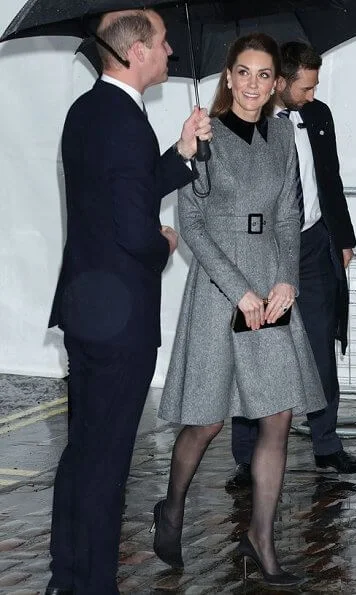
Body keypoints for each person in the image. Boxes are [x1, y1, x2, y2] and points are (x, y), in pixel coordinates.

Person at [45, 9, 212, 595]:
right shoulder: (123, 121)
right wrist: (164, 242)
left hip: (88, 310)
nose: (171, 53)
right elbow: (133, 228)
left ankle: (67, 578)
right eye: (163, 44)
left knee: (83, 454)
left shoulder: (91, 110)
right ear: (137, 52)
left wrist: (183, 152)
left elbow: (126, 185)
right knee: (106, 464)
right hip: (120, 320)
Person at [153, 33, 326, 588]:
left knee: (278, 415)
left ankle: (261, 538)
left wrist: (286, 280)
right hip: (217, 287)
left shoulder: (282, 133)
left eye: (264, 74)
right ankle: (173, 506)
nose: (253, 84)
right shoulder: (203, 134)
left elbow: (287, 214)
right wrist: (238, 289)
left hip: (271, 285)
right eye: (244, 73)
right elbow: (193, 225)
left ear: (277, 82)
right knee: (205, 421)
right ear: (229, 76)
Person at [228, 41, 356, 488]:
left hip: (313, 246)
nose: (311, 95)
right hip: (263, 253)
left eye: (314, 87)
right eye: (304, 88)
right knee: (256, 353)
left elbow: (331, 178)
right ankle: (246, 460)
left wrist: (342, 239)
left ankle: (327, 445)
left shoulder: (318, 115)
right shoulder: (251, 123)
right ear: (281, 82)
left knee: (320, 349)